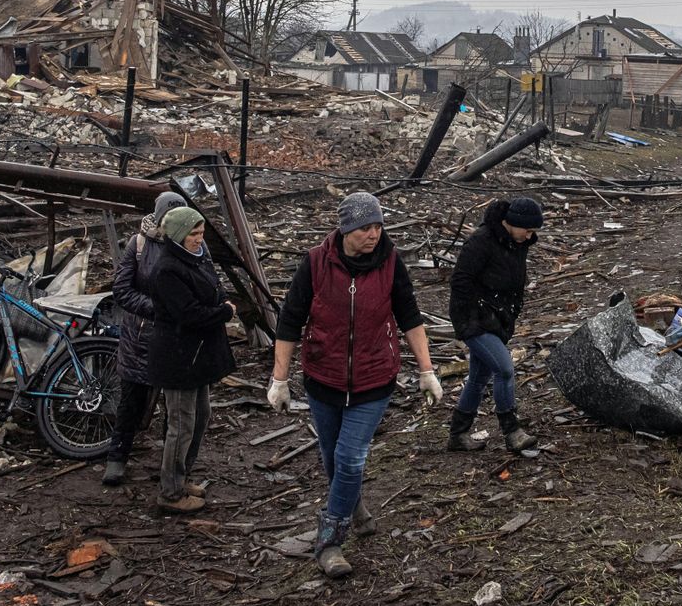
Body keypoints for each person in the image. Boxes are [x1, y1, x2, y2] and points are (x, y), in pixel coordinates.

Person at [267, 192, 442, 579]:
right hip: (323, 378)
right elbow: (290, 320)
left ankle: (330, 541)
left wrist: (427, 370)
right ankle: (355, 507)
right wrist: (280, 379)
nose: (374, 234)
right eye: (365, 227)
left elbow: (410, 317)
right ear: (346, 229)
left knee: (349, 458)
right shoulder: (315, 263)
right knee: (332, 458)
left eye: (378, 226)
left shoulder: (391, 263)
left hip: (374, 379)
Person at [142, 206, 236, 515]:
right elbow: (188, 313)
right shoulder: (168, 269)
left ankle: (182, 478)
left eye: (201, 233)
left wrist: (220, 301)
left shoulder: (195, 258)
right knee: (180, 424)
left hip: (196, 356)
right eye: (194, 234)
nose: (200, 239)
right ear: (180, 235)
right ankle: (170, 492)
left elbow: (215, 286)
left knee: (201, 416)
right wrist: (223, 312)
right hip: (178, 357)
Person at [446, 197, 542, 454]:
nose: (530, 235)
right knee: (504, 369)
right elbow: (460, 281)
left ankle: (458, 434)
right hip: (475, 319)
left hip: (498, 320)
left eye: (534, 231)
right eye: (527, 229)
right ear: (510, 222)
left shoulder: (518, 243)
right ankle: (512, 432)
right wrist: (473, 317)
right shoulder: (482, 241)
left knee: (478, 377)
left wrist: (510, 314)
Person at [101, 190, 184, 487]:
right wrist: (156, 308)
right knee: (130, 401)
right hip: (140, 338)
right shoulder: (139, 244)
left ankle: (170, 467)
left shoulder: (192, 243)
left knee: (175, 408)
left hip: (176, 339)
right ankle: (117, 458)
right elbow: (121, 290)